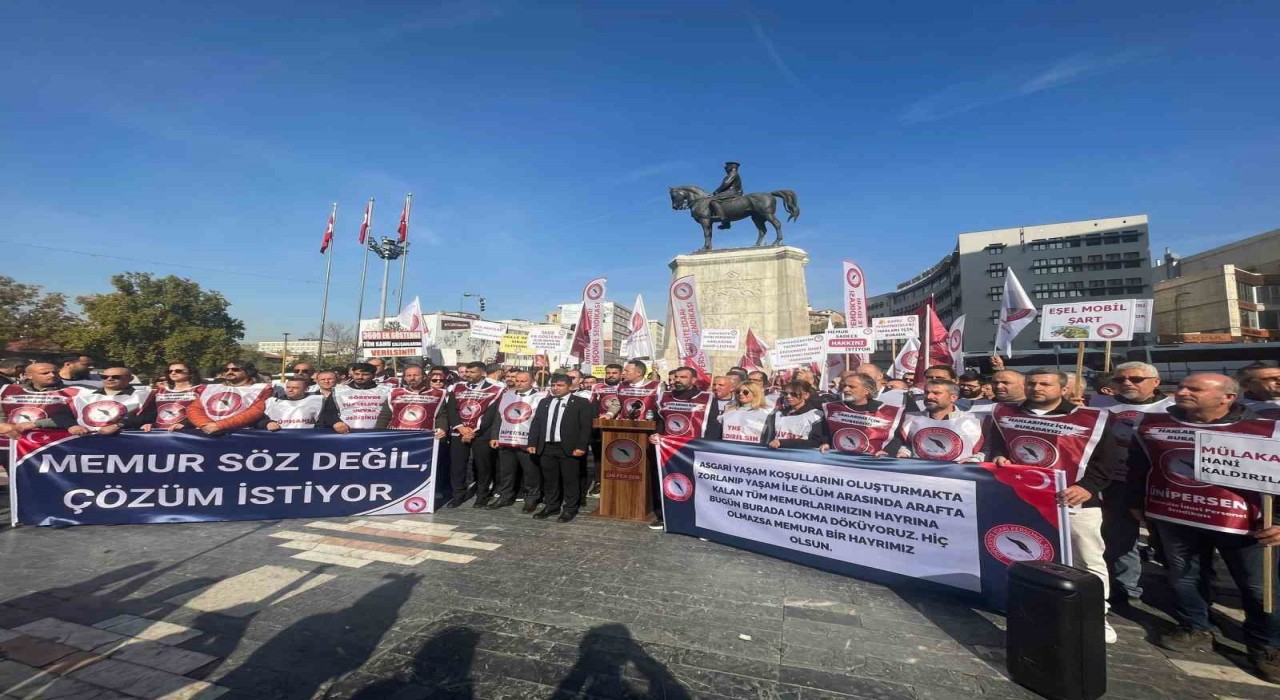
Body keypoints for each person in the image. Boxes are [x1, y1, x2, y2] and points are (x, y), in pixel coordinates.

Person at [1124, 373, 1279, 678]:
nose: (1182, 391)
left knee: (1258, 587)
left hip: (1245, 524)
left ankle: (1267, 645)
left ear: (1227, 397)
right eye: (1181, 386)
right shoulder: (1151, 425)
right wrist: (1136, 502)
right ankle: (1195, 626)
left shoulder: (1266, 430)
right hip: (1176, 516)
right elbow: (1139, 466)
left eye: (1194, 389)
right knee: (1184, 578)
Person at [986, 368, 1117, 643]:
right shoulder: (1004, 413)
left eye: (1045, 384)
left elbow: (1108, 461)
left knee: (1087, 558)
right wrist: (999, 458)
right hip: (1024, 498)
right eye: (1032, 383)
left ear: (1064, 389)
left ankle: (1097, 615)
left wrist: (1088, 487)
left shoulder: (1094, 418)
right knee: (1029, 551)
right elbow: (998, 446)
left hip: (1075, 501)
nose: (1037, 388)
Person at [1088, 361, 1174, 605]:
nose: (1127, 383)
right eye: (1119, 379)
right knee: (1119, 538)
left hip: (1160, 484)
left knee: (1166, 542)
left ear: (1155, 382)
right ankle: (1127, 589)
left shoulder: (1173, 407)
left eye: (1136, 379)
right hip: (1115, 482)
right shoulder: (1098, 404)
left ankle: (1184, 590)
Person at [647, 366, 721, 529]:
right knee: (666, 482)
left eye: (683, 377)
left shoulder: (707, 398)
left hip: (694, 449)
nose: (678, 380)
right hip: (668, 449)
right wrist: (655, 435)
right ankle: (664, 516)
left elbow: (712, 426)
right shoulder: (663, 397)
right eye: (676, 377)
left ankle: (701, 520)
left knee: (697, 485)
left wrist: (708, 447)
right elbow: (659, 422)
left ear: (694, 380)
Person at [437, 360, 505, 508]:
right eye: (466, 372)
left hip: (481, 434)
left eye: (472, 372)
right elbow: (451, 409)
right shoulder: (457, 387)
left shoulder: (495, 389)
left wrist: (474, 431)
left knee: (483, 466)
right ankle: (458, 495)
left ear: (482, 373)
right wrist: (460, 427)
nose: (467, 375)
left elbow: (491, 414)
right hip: (459, 432)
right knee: (457, 465)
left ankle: (482, 495)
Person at [526, 373, 592, 523]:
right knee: (550, 479)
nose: (556, 388)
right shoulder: (545, 402)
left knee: (570, 480)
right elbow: (536, 424)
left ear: (569, 386)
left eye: (560, 385)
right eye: (553, 385)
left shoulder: (581, 402)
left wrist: (581, 446)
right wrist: (532, 443)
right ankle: (551, 505)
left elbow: (585, 427)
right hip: (547, 447)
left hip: (568, 447)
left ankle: (569, 508)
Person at [488, 371, 547, 511]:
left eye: (523, 381)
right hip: (506, 438)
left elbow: (541, 421)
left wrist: (536, 441)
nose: (519, 383)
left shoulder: (541, 397)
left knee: (531, 472)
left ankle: (532, 499)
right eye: (517, 380)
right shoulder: (507, 395)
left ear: (532, 382)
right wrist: (494, 435)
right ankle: (505, 497)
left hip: (527, 440)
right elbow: (499, 417)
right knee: (506, 471)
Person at [896, 379, 985, 462]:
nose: (929, 396)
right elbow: (907, 444)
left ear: (953, 397)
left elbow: (986, 449)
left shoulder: (976, 420)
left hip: (959, 474)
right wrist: (904, 453)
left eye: (936, 393)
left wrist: (974, 460)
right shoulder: (909, 418)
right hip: (919, 472)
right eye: (926, 392)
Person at [819, 373, 903, 457]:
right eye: (844, 386)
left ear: (867, 391)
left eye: (852, 387)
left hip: (871, 463)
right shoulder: (832, 409)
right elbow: (823, 433)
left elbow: (896, 439)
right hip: (837, 460)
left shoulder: (888, 413)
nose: (845, 389)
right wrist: (826, 443)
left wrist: (888, 451)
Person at [186, 362, 272, 435]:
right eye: (226, 370)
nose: (229, 372)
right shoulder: (211, 388)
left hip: (240, 434)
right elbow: (194, 408)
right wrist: (205, 424)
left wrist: (220, 426)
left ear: (248, 372)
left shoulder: (259, 389)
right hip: (207, 432)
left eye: (235, 369)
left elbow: (254, 412)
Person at [0, 362, 80, 438]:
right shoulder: (9, 390)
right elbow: (2, 414)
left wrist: (36, 424)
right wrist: (2, 426)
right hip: (14, 439)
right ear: (28, 376)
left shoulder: (74, 392)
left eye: (55, 372)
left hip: (54, 440)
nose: (52, 375)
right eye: (45, 373)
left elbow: (78, 418)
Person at [69, 367, 152, 434]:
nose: (109, 379)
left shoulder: (144, 395)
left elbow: (148, 416)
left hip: (125, 439)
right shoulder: (83, 395)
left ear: (130, 378)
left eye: (116, 377)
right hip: (85, 439)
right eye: (104, 377)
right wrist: (72, 426)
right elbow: (61, 413)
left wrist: (119, 425)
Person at [321, 362, 391, 433]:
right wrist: (336, 422)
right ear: (352, 374)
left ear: (373, 375)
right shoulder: (338, 391)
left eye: (365, 374)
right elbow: (328, 412)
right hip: (347, 433)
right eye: (356, 374)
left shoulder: (387, 390)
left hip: (379, 432)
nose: (360, 377)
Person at [762, 380, 826, 449]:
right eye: (785, 393)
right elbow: (768, 438)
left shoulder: (816, 416)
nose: (788, 396)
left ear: (806, 395)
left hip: (799, 457)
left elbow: (816, 443)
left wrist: (783, 443)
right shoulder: (777, 413)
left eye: (794, 394)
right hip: (777, 455)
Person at [386, 365, 446, 431]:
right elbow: (384, 416)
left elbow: (441, 416)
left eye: (416, 375)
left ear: (424, 377)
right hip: (399, 435)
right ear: (405, 378)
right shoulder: (394, 393)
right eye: (409, 376)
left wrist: (442, 428)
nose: (412, 378)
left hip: (425, 435)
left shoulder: (437, 394)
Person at [261, 378, 325, 430]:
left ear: (306, 389)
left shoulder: (318, 400)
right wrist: (267, 423)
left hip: (306, 438)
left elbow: (325, 421)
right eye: (288, 387)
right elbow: (258, 419)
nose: (290, 390)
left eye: (295, 388)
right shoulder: (272, 402)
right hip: (279, 437)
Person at [707, 161, 742, 229]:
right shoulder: (734, 173)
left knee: (712, 200)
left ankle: (721, 217)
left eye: (726, 167)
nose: (725, 168)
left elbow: (726, 183)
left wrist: (717, 191)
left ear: (731, 167)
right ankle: (726, 222)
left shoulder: (733, 173)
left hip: (732, 191)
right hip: (732, 191)